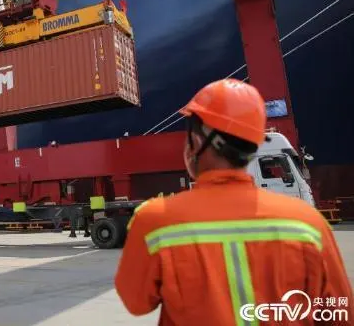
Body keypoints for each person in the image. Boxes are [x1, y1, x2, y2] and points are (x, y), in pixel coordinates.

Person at [114, 78, 352, 325]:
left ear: (196, 143)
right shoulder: (309, 224)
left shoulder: (155, 222)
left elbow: (136, 303)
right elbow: (340, 315)